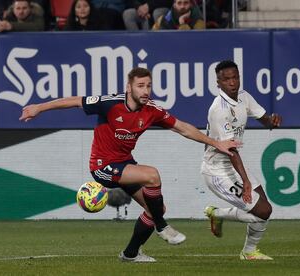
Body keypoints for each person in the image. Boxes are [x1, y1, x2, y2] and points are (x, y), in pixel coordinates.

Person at [19, 67, 239, 263]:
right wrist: (39, 107)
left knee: (156, 209)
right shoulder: (110, 103)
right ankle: (163, 227)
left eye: (149, 86)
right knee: (152, 175)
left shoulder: (151, 110)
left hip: (124, 164)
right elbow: (75, 101)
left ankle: (131, 253)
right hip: (102, 166)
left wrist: (215, 142)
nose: (146, 91)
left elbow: (182, 127)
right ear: (129, 87)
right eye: (140, 86)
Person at [201, 60, 282, 261]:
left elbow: (263, 117)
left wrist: (272, 122)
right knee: (263, 211)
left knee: (263, 206)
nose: (232, 82)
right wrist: (245, 181)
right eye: (226, 79)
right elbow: (231, 151)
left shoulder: (244, 97)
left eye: (235, 77)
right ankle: (219, 215)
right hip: (217, 172)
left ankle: (248, 251)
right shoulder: (219, 109)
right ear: (218, 83)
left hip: (233, 166)